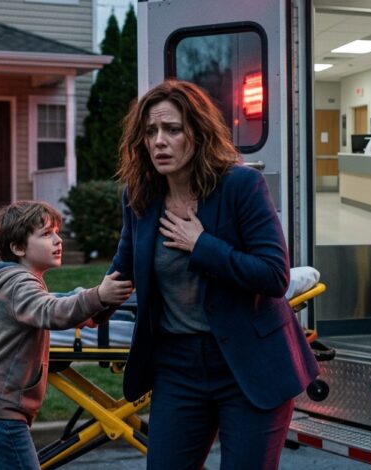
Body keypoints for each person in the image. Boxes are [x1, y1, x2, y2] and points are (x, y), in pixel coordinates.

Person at [109, 80, 319, 470]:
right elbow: (122, 273)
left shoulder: (240, 186)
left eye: (172, 129)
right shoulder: (139, 196)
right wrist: (84, 304)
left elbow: (274, 275)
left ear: (198, 133)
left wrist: (202, 245)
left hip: (249, 365)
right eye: (150, 131)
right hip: (178, 367)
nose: (159, 141)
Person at [0, 200, 133, 470]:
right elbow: (50, 311)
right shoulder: (21, 284)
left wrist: (90, 311)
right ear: (18, 248)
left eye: (57, 232)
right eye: (47, 234)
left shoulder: (5, 282)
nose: (58, 240)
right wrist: (97, 296)